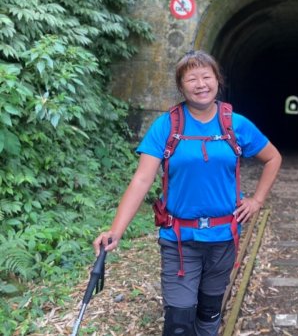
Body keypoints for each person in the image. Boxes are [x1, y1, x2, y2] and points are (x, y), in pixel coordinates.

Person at [94, 50, 282, 336]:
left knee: (208, 314)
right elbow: (142, 180)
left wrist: (257, 200)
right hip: (179, 240)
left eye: (206, 76)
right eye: (191, 79)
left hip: (223, 238)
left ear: (218, 81)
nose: (200, 84)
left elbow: (273, 158)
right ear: (181, 87)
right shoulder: (167, 125)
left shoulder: (236, 124)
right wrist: (115, 231)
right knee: (179, 322)